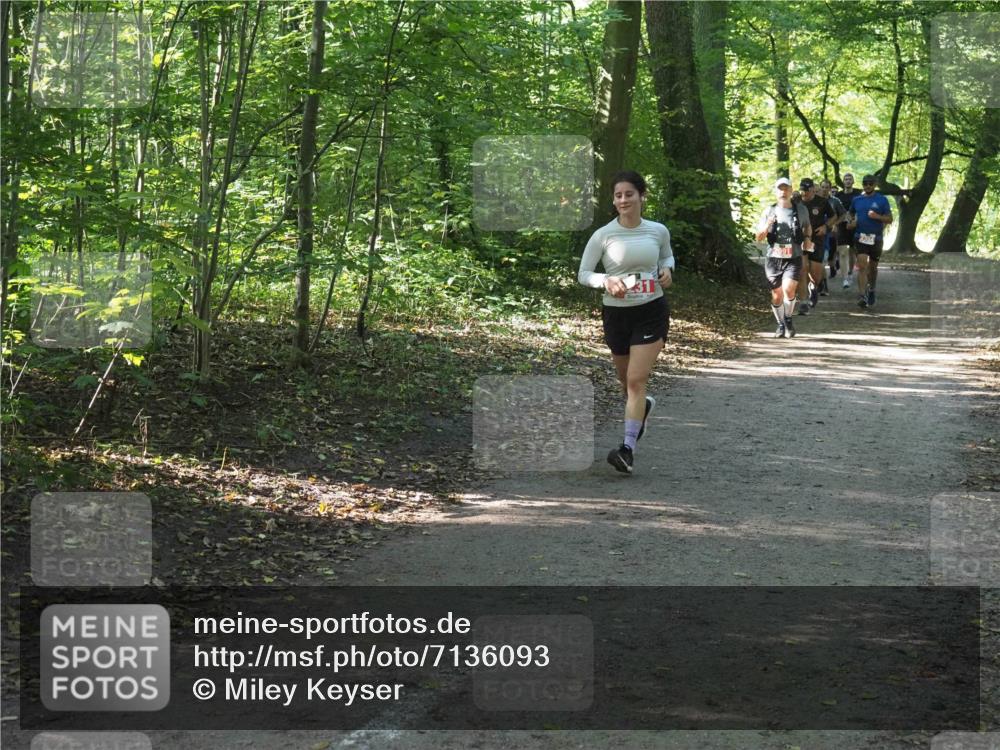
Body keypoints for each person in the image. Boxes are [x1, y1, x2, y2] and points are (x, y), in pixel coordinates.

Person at [578, 170, 673, 474]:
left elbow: (667, 257)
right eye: (618, 195)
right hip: (616, 314)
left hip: (651, 311)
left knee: (635, 380)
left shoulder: (657, 231)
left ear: (642, 196)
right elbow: (583, 274)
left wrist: (667, 271)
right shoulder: (603, 235)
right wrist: (606, 281)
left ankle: (627, 449)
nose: (623, 200)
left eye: (629, 194)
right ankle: (643, 408)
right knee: (626, 382)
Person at [754, 177, 812, 339]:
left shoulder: (801, 210)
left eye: (786, 188)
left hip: (794, 256)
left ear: (791, 190)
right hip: (773, 258)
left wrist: (808, 238)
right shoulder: (769, 211)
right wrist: (767, 225)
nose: (783, 192)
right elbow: (759, 237)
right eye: (780, 189)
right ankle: (781, 324)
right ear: (775, 191)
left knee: (788, 289)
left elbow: (807, 226)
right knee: (777, 294)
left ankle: (788, 319)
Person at [849, 174, 893, 308]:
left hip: (876, 238)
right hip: (860, 237)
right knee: (862, 266)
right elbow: (850, 214)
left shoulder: (882, 200)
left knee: (873, 268)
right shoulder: (857, 200)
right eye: (865, 183)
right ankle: (862, 295)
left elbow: (890, 219)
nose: (867, 186)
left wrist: (877, 216)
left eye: (870, 183)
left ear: (875, 185)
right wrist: (852, 222)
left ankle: (872, 289)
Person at [797, 178, 835, 311]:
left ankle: (813, 287)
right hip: (801, 239)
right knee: (802, 269)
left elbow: (833, 217)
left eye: (807, 190)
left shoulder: (822, 202)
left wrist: (826, 227)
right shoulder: (796, 201)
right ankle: (803, 301)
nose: (804, 193)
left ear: (813, 189)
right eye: (802, 190)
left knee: (815, 275)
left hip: (817, 240)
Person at [834, 173, 863, 289]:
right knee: (842, 252)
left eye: (850, 179)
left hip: (855, 225)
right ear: (843, 182)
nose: (848, 181)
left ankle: (850, 272)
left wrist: (855, 220)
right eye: (846, 179)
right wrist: (835, 223)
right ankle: (845, 278)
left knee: (852, 251)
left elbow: (861, 209)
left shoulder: (858, 194)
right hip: (842, 226)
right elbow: (834, 211)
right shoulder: (838, 195)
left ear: (853, 181)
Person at [818, 179, 845, 295]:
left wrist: (835, 224)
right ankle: (819, 284)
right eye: (822, 187)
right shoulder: (815, 200)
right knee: (817, 261)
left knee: (825, 259)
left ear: (830, 188)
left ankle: (823, 285)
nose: (824, 189)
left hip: (830, 234)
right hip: (816, 234)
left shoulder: (835, 201)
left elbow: (843, 214)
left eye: (827, 187)